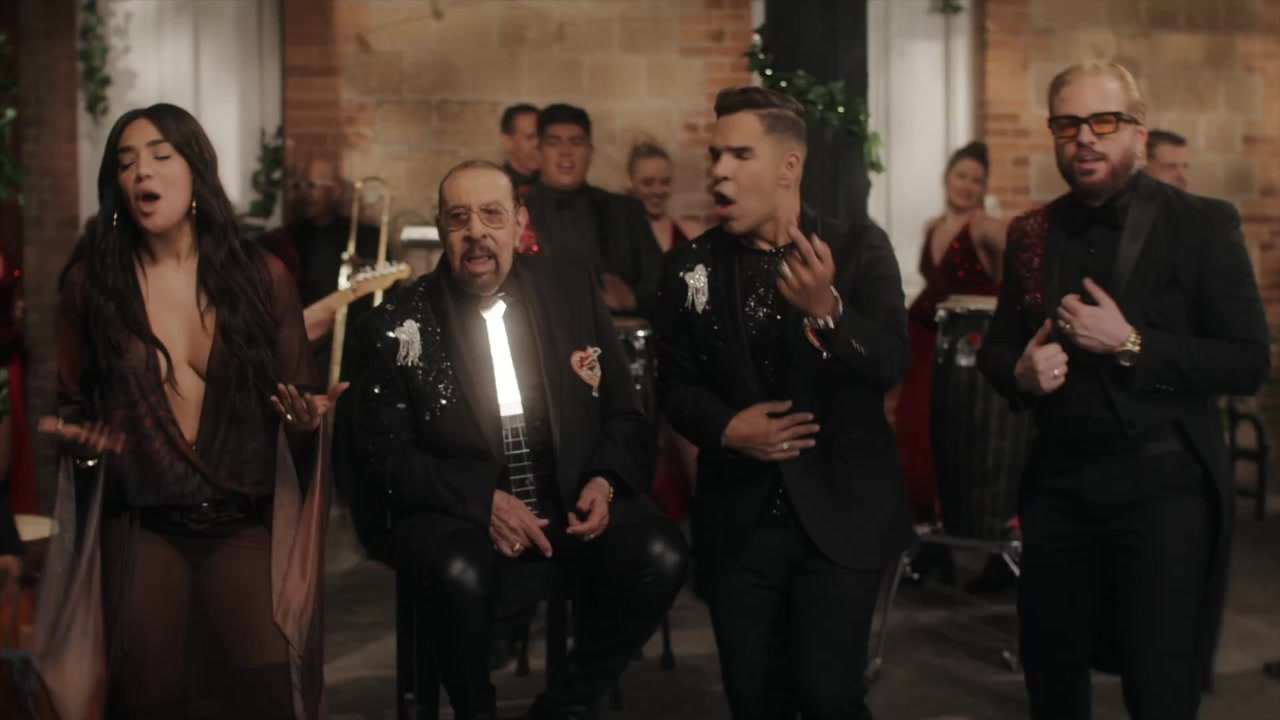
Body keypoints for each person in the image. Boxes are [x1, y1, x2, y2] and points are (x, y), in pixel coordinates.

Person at [344, 160, 688, 720]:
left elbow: (625, 415)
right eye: (459, 218)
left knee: (662, 554)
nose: (476, 232)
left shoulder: (571, 288)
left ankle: (563, 705)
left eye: (492, 215)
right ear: (441, 227)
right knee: (457, 574)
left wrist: (604, 481)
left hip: (567, 498)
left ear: (519, 223)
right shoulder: (397, 321)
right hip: (459, 512)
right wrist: (482, 502)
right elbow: (385, 458)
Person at [978, 63, 1269, 720]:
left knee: (1158, 685)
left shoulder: (1202, 224)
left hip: (1164, 490)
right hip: (1058, 489)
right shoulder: (1030, 232)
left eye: (1103, 122)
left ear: (1138, 133)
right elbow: (997, 351)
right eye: (1068, 123)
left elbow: (1248, 361)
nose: (1084, 137)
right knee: (1051, 681)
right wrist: (1019, 373)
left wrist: (1132, 343)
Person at [46, 103, 342, 719]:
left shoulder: (260, 278)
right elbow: (71, 406)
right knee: (150, 694)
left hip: (239, 519)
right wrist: (82, 443)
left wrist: (304, 424)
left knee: (268, 688)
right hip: (145, 522)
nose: (141, 172)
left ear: (196, 171)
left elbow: (299, 399)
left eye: (160, 156)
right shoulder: (92, 287)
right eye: (126, 162)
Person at [657, 86, 913, 719]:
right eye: (715, 155)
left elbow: (891, 363)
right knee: (753, 699)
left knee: (828, 695)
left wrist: (830, 314)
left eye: (740, 155)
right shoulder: (688, 267)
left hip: (841, 517)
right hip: (739, 523)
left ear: (788, 166)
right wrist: (726, 428)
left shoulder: (858, 249)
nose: (719, 171)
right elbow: (673, 388)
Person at [893, 141, 1011, 591]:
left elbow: (1016, 279)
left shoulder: (988, 229)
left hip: (969, 347)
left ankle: (994, 552)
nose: (967, 186)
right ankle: (930, 545)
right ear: (946, 178)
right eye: (961, 176)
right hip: (926, 341)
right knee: (918, 439)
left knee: (968, 442)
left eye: (977, 180)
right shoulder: (932, 226)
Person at [520, 104, 663, 318]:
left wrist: (635, 299)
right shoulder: (516, 210)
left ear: (590, 151)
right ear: (539, 151)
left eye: (576, 142)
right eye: (554, 143)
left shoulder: (625, 211)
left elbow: (662, 285)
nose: (566, 151)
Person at [624, 137, 702, 522]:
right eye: (648, 182)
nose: (657, 190)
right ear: (631, 184)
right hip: (639, 360)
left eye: (664, 181)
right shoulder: (623, 240)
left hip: (684, 355)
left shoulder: (689, 231)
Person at [257, 158, 383, 347]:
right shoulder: (279, 241)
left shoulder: (366, 237)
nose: (303, 193)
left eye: (311, 185)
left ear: (336, 191)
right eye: (297, 186)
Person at [500, 103, 541, 197]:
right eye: (530, 137)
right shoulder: (496, 186)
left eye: (541, 136)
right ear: (507, 141)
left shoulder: (555, 183)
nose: (538, 143)